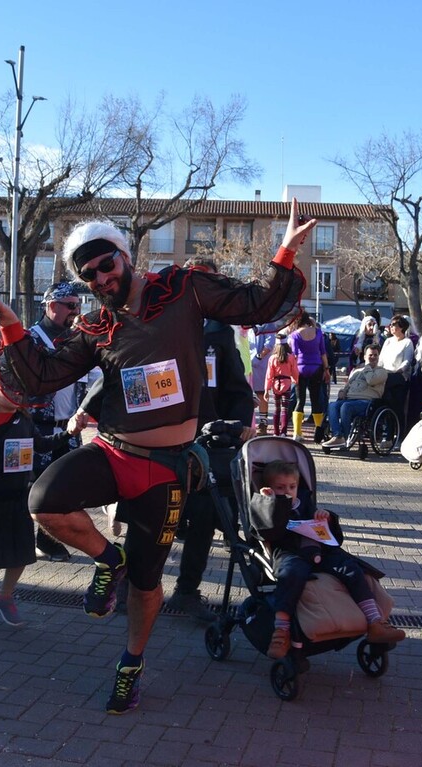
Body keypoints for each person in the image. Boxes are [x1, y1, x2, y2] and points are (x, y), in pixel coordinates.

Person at [0, 201, 309, 714]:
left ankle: (130, 663)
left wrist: (285, 248)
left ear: (124, 254)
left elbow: (258, 305)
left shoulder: (183, 289)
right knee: (43, 501)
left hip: (167, 468)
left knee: (149, 584)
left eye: (105, 264)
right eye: (88, 275)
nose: (100, 279)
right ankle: (112, 560)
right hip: (114, 450)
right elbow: (41, 377)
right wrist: (13, 329)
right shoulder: (95, 328)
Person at [164, 257, 257, 622]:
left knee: (203, 516)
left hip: (205, 442)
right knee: (153, 516)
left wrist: (241, 426)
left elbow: (238, 389)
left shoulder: (220, 332)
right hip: (162, 439)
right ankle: (129, 585)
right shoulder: (162, 323)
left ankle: (186, 591)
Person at [0, 374, 78, 635]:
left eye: (18, 390)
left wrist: (69, 432)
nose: (15, 395)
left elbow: (42, 445)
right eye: (7, 390)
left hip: (19, 497)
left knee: (22, 553)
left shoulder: (23, 420)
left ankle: (4, 595)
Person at [259, 460, 406, 659]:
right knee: (291, 574)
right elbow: (267, 531)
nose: (288, 491)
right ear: (269, 488)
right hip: (288, 552)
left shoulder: (303, 499)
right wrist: (269, 503)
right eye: (280, 487)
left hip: (317, 548)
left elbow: (324, 528)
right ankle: (282, 630)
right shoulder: (265, 502)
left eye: (292, 487)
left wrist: (324, 517)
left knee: (351, 568)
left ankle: (375, 621)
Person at [28, 282, 87, 563]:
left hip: (70, 426)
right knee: (35, 486)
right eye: (71, 306)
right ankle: (36, 540)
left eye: (79, 306)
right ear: (52, 306)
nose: (76, 312)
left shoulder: (76, 338)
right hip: (37, 428)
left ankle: (48, 538)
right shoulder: (30, 339)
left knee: (66, 486)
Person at [321, 344, 386, 449]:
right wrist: (342, 391)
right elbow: (347, 386)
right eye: (370, 355)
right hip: (350, 399)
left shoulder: (381, 372)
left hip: (366, 402)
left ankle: (344, 438)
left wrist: (367, 367)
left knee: (346, 406)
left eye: (375, 355)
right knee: (332, 405)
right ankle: (337, 435)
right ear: (364, 357)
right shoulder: (356, 372)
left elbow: (371, 380)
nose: (373, 357)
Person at [288, 311, 330, 442]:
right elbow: (323, 353)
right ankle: (318, 433)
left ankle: (297, 433)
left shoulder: (294, 335)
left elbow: (294, 355)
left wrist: (291, 373)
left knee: (300, 400)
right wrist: (326, 369)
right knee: (316, 400)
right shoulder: (318, 333)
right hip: (316, 367)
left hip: (300, 368)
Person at [377, 314, 414, 435]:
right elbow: (381, 359)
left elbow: (407, 360)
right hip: (385, 375)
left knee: (397, 407)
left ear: (401, 327)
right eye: (391, 325)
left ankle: (398, 434)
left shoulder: (407, 342)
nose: (391, 327)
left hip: (398, 378)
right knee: (384, 404)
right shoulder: (388, 341)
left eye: (394, 325)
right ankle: (384, 432)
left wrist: (400, 370)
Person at [264, 333, 299, 437]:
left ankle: (276, 432)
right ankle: (283, 432)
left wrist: (267, 389)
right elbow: (295, 371)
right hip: (287, 383)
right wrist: (296, 380)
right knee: (285, 409)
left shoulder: (272, 358)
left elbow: (269, 375)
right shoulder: (291, 357)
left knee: (276, 409)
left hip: (275, 384)